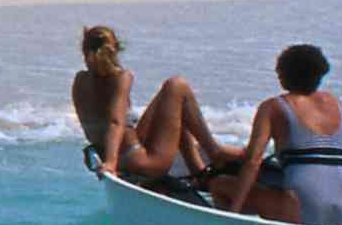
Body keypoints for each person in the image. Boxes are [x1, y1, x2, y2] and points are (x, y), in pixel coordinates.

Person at [69, 23, 228, 197]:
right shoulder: (121, 77)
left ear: (84, 52)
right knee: (177, 85)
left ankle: (198, 172)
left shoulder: (80, 80)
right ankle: (214, 152)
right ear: (115, 50)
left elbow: (97, 127)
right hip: (144, 163)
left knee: (170, 105)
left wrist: (109, 160)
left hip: (121, 157)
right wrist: (111, 163)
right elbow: (115, 122)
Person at [219, 41, 342, 225]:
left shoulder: (273, 107)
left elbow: (253, 161)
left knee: (220, 185)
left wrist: (234, 212)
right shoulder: (337, 104)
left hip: (297, 207)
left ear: (284, 73)